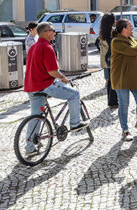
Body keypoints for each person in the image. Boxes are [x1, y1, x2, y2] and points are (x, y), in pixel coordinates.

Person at [22, 22, 88, 155]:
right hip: (44, 84)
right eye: (52, 30)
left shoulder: (34, 46)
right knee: (74, 94)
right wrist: (63, 78)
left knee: (36, 117)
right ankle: (75, 124)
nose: (54, 33)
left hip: (31, 85)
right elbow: (52, 71)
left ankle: (29, 148)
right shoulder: (47, 47)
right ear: (46, 32)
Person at [111, 19, 137, 141]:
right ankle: (125, 130)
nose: (132, 28)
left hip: (135, 77)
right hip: (122, 78)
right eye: (130, 26)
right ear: (124, 29)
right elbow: (133, 51)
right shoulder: (116, 42)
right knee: (124, 105)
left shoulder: (130, 39)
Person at [98, 13, 118, 108]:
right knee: (113, 81)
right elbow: (113, 45)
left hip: (105, 59)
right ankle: (113, 102)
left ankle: (111, 101)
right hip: (111, 59)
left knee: (110, 81)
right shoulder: (112, 32)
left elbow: (96, 43)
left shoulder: (102, 31)